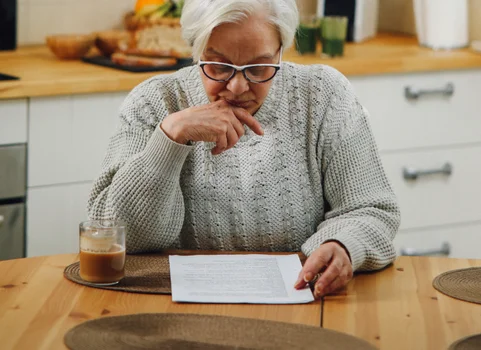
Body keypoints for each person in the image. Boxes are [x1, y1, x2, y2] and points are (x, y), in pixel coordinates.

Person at [87, 0, 401, 299]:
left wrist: (343, 244)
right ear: (196, 52)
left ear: (281, 51)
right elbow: (115, 233)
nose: (237, 87)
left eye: (259, 67)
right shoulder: (153, 102)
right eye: (218, 66)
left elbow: (373, 209)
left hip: (301, 297)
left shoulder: (323, 95)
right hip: (167, 305)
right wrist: (171, 137)